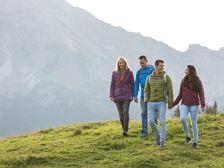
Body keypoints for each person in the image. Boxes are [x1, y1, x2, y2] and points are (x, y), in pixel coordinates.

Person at [173, 65, 205, 149]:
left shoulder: (197, 81)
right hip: (184, 104)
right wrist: (174, 103)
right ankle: (188, 136)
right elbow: (180, 94)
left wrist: (203, 105)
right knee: (182, 118)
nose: (185, 71)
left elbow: (201, 93)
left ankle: (195, 142)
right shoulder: (184, 81)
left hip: (194, 104)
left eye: (186, 69)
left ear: (191, 70)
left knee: (193, 123)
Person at [144, 59, 173, 147]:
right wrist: (146, 100)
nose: (162, 67)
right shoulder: (149, 78)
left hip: (161, 103)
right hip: (151, 103)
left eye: (163, 66)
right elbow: (146, 90)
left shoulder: (166, 77)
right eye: (161, 66)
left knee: (162, 122)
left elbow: (170, 91)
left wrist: (170, 102)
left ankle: (162, 141)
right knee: (151, 122)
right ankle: (158, 134)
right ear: (156, 66)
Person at [110, 56, 134, 136]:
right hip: (117, 96)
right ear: (118, 64)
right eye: (120, 63)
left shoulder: (129, 72)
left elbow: (132, 84)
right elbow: (112, 85)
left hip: (127, 95)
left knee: (125, 112)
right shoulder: (114, 72)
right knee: (120, 114)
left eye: (123, 63)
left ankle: (126, 131)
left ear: (125, 63)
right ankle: (124, 130)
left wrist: (133, 95)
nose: (121, 64)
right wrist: (111, 95)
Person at [133, 55, 156, 137]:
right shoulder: (139, 72)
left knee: (153, 113)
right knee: (144, 113)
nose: (142, 64)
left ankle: (154, 130)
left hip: (152, 95)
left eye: (143, 63)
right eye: (140, 63)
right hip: (143, 95)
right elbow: (136, 84)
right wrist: (135, 95)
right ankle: (144, 131)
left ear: (146, 61)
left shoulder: (152, 70)